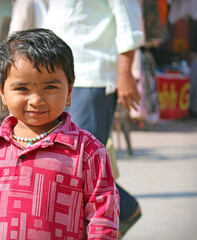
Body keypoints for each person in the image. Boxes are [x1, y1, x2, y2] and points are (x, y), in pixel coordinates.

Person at [0, 28, 119, 239]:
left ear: (69, 90)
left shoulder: (87, 152)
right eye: (22, 88)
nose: (36, 100)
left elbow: (102, 219)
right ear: (2, 90)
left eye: (50, 87)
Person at [45, 0, 144, 238]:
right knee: (61, 164)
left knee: (78, 165)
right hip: (58, 76)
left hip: (92, 77)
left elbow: (128, 16)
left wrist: (125, 73)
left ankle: (124, 210)